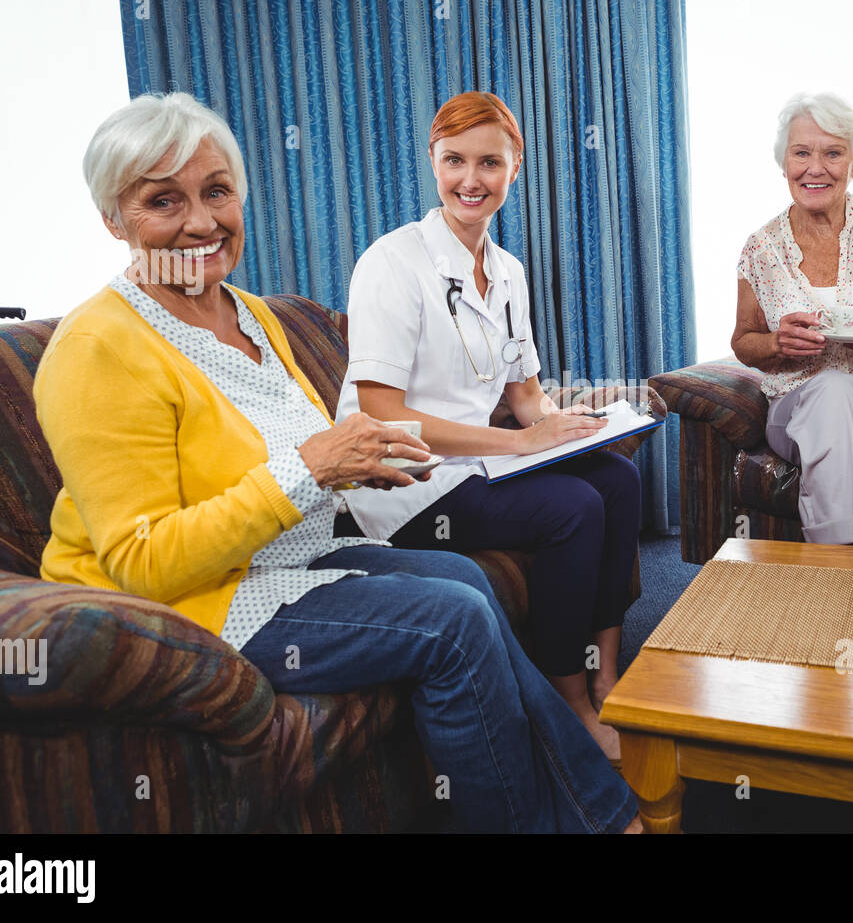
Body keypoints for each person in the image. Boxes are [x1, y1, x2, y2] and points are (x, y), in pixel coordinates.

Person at [34, 91, 639, 833]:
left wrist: (362, 465)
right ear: (113, 220)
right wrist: (316, 468)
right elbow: (144, 562)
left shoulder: (249, 314)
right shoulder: (96, 349)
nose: (200, 221)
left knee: (466, 579)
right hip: (202, 600)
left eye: (217, 191)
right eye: (164, 201)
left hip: (291, 554)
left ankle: (598, 814)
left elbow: (297, 449)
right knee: (450, 620)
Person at [336, 91, 641, 765]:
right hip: (403, 480)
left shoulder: (508, 273)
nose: (470, 180)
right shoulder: (392, 263)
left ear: (515, 169)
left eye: (489, 163)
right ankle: (570, 698)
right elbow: (382, 415)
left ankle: (609, 671)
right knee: (571, 509)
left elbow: (525, 395)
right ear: (432, 163)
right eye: (454, 161)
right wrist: (519, 442)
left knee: (615, 478)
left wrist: (572, 426)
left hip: (479, 462)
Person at [730, 92, 853, 546]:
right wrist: (778, 344)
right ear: (784, 164)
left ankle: (834, 575)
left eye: (833, 153)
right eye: (801, 153)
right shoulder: (760, 247)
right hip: (798, 408)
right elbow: (744, 340)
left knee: (841, 447)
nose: (814, 168)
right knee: (835, 394)